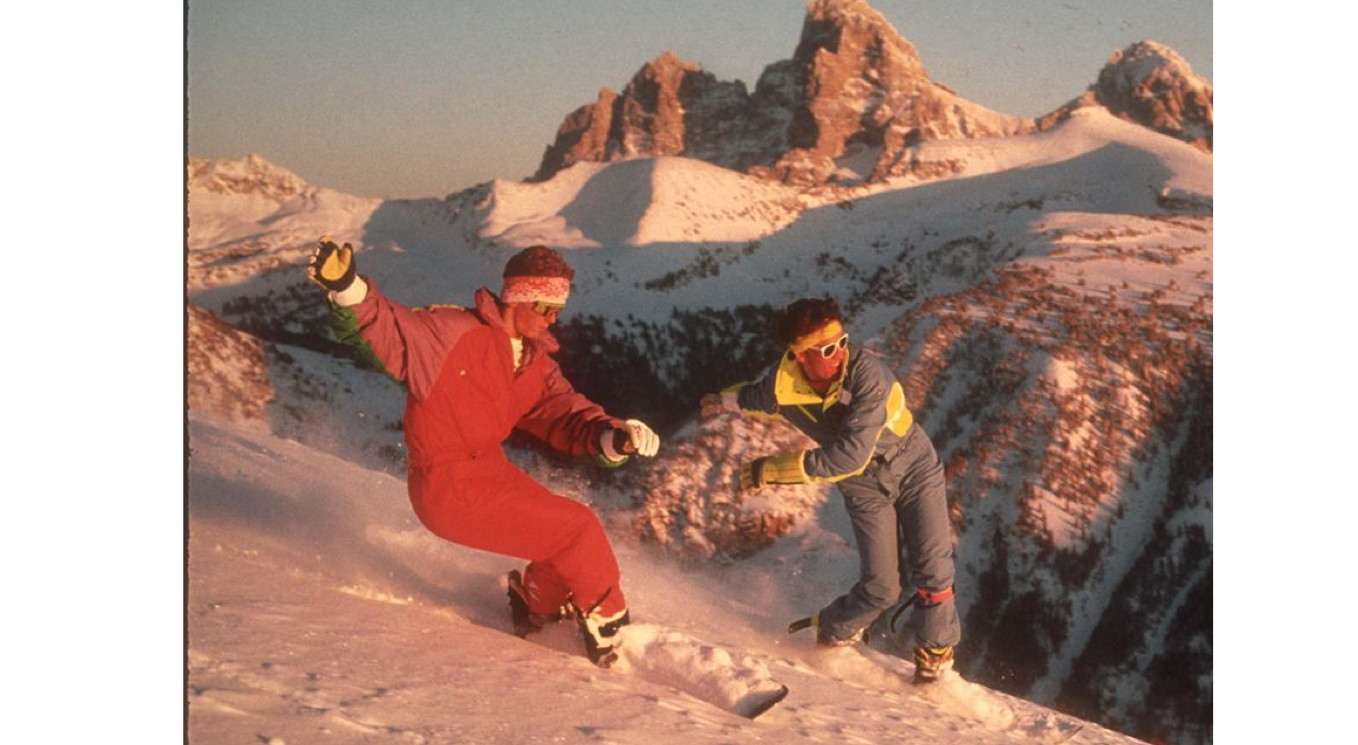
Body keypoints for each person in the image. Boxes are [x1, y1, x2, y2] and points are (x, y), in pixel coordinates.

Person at [306, 238, 660, 666]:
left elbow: (564, 413)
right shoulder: (449, 334)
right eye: (544, 308)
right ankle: (617, 641)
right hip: (447, 487)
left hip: (491, 472)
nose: (552, 320)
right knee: (579, 529)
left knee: (563, 535)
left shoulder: (534, 361)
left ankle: (539, 613)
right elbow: (388, 328)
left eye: (557, 311)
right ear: (517, 297)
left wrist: (614, 435)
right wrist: (347, 286)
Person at [700, 297, 959, 683]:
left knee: (935, 572)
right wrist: (720, 401)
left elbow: (849, 456)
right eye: (826, 348)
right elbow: (755, 396)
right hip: (863, 487)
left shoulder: (867, 375)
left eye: (842, 341)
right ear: (800, 355)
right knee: (881, 589)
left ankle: (935, 658)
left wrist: (771, 470)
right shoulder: (782, 387)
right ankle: (831, 635)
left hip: (914, 467)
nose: (839, 352)